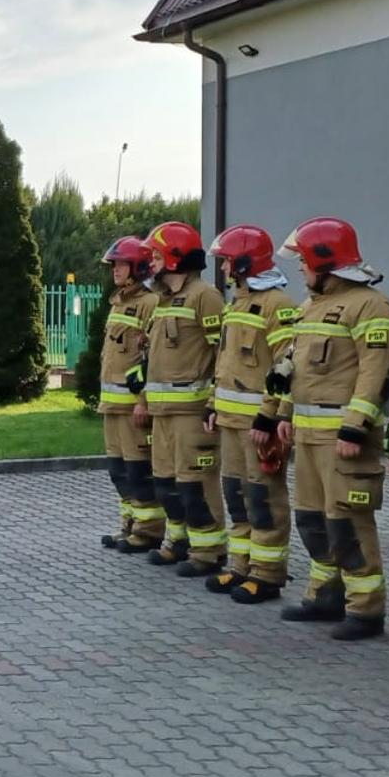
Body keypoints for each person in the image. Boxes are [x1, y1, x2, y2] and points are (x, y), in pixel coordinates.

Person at [256, 217, 389, 641]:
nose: (299, 268)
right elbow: (291, 368)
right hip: (308, 434)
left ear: (324, 260)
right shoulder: (308, 307)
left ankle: (366, 609)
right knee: (313, 520)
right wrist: (283, 414)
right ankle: (325, 594)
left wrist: (355, 428)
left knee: (348, 523)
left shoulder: (371, 306)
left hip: (343, 439)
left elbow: (377, 373)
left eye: (303, 260)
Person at [204, 225, 299, 602]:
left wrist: (271, 418)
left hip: (258, 426)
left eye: (227, 261)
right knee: (236, 496)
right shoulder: (237, 303)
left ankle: (268, 574)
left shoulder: (279, 306)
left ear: (244, 263)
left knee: (264, 499)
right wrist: (213, 405)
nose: (224, 268)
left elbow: (286, 367)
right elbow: (224, 362)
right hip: (230, 422)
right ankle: (240, 566)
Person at [139, 222, 228, 577]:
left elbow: (221, 350)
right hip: (162, 412)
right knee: (166, 482)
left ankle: (208, 552)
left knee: (195, 484)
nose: (152, 262)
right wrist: (144, 399)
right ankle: (177, 541)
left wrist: (213, 400)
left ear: (176, 257)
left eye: (157, 255)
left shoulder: (205, 297)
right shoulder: (160, 301)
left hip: (191, 412)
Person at [96, 237, 164, 552]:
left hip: (132, 408)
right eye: (114, 265)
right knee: (118, 471)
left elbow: (152, 358)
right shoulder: (119, 302)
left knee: (139, 471)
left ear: (138, 267)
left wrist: (143, 401)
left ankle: (149, 531)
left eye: (121, 264)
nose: (115, 270)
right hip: (111, 406)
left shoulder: (151, 303)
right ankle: (129, 525)